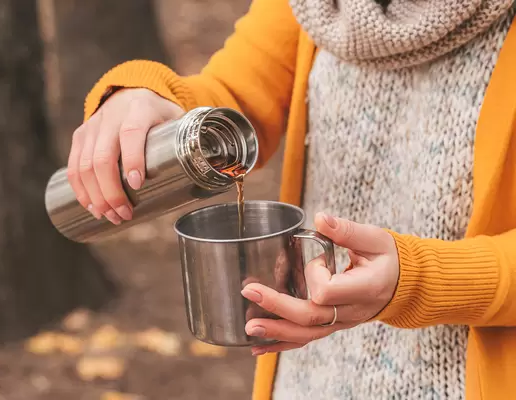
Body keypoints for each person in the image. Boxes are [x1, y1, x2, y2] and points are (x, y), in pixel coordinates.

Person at [66, 0, 516, 398]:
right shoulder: (316, 6)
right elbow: (233, 97)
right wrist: (147, 96)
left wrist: (419, 280)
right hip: (308, 375)